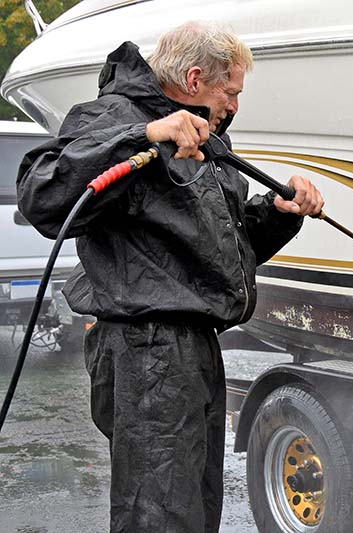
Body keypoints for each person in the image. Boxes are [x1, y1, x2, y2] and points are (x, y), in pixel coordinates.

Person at [16, 21, 323, 532]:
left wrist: (280, 211)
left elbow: (222, 254)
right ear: (197, 77)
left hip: (193, 348)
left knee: (196, 511)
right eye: (232, 92)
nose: (235, 107)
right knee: (157, 516)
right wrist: (142, 136)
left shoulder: (207, 139)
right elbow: (40, 195)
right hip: (146, 351)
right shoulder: (114, 117)